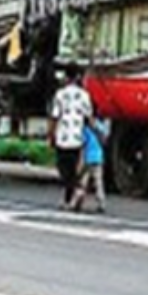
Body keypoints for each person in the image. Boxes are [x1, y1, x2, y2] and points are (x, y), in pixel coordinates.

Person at [48, 64, 94, 209]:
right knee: (74, 168)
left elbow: (55, 116)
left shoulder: (60, 94)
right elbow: (89, 117)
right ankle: (72, 197)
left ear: (67, 77)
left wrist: (51, 135)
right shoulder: (84, 95)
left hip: (63, 136)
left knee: (64, 169)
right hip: (77, 136)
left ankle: (73, 194)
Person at [70, 117, 108, 214]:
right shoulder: (100, 127)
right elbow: (104, 140)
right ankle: (101, 203)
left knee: (83, 181)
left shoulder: (86, 131)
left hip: (88, 159)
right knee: (98, 182)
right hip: (99, 158)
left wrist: (80, 163)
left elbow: (82, 146)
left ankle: (77, 202)